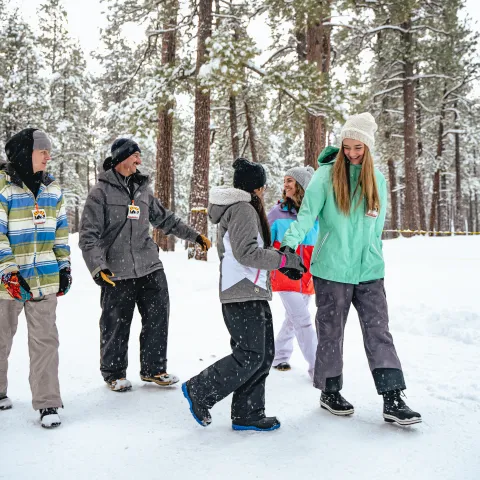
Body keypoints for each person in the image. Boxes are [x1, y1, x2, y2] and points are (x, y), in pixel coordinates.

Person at [281, 113, 422, 426]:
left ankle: (393, 397)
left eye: (358, 147)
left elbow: (375, 228)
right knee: (331, 332)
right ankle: (330, 391)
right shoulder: (326, 176)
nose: (352, 153)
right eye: (347, 147)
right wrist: (288, 247)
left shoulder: (378, 180)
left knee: (379, 331)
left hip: (369, 269)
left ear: (368, 147)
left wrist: (375, 255)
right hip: (332, 268)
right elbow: (306, 216)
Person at [181, 158, 306, 431]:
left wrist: (282, 259)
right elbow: (247, 254)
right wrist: (284, 262)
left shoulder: (242, 208)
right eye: (262, 187)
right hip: (242, 292)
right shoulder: (242, 210)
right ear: (257, 188)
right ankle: (199, 389)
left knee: (262, 355)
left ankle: (248, 413)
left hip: (251, 290)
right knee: (250, 354)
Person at [79, 138, 211, 392]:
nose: (139, 161)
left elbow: (165, 220)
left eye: (139, 157)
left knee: (158, 317)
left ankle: (154, 369)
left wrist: (194, 236)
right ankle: (114, 373)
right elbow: (88, 236)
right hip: (116, 270)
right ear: (120, 158)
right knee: (116, 322)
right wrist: (98, 267)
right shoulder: (100, 193)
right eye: (135, 156)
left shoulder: (143, 190)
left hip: (149, 265)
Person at [0, 128, 71, 428]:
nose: (47, 156)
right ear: (23, 154)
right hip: (7, 283)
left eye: (48, 151)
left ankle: (47, 403)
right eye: (42, 151)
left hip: (44, 280)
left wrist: (64, 266)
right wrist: (9, 272)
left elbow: (61, 235)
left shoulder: (53, 191)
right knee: (1, 339)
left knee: (45, 342)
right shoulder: (4, 190)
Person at [268, 166, 318, 379]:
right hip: (285, 275)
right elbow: (263, 243)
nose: (286, 184)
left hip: (307, 277)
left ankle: (279, 355)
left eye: (291, 180)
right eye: (285, 180)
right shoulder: (276, 213)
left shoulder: (315, 215)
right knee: (303, 319)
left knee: (293, 318)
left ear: (302, 186)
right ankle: (318, 368)